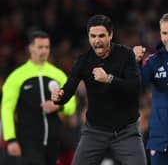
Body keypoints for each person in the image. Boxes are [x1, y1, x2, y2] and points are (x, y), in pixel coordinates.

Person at [51, 14, 147, 165]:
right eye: (93, 36)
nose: (97, 41)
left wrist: (109, 79)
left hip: (126, 131)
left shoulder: (126, 55)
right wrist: (59, 97)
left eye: (102, 36)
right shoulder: (83, 61)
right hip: (94, 132)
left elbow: (135, 87)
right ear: (88, 37)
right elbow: (68, 90)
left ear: (110, 35)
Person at [1, 30, 76, 165]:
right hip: (28, 141)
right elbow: (6, 109)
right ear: (30, 48)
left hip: (53, 141)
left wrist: (58, 106)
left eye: (47, 47)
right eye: (40, 47)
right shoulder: (16, 76)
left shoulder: (58, 75)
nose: (44, 51)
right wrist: (11, 139)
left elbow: (72, 104)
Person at [133, 13, 168, 165]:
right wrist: (136, 62)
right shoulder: (153, 62)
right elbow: (136, 87)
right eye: (164, 33)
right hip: (160, 139)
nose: (167, 37)